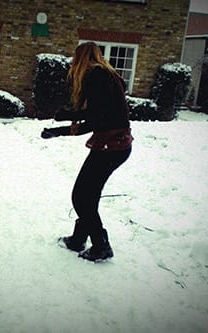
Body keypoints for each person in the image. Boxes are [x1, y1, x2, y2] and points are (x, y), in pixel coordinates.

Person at [41, 42, 133, 262]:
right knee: (87, 195)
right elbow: (97, 119)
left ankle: (101, 245)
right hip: (115, 145)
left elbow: (93, 118)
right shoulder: (109, 77)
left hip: (110, 147)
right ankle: (78, 239)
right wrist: (59, 130)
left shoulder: (96, 75)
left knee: (81, 197)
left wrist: (67, 117)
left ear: (80, 59)